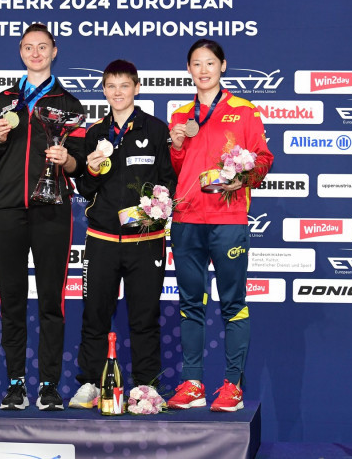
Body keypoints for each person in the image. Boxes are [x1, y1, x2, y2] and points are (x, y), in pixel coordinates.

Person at [166, 39, 273, 412]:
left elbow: (263, 158)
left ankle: (232, 386)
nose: (203, 70)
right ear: (189, 70)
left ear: (223, 66)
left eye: (210, 63)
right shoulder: (180, 114)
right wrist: (176, 146)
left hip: (228, 219)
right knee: (190, 304)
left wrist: (241, 179)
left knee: (233, 304)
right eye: (196, 64)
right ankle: (193, 383)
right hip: (187, 220)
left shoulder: (243, 110)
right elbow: (178, 171)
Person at [0, 23, 86, 411]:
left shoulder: (70, 103)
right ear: (21, 51)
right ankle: (15, 384)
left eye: (42, 46)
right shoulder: (5, 99)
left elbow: (80, 165)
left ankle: (48, 384)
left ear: (55, 51)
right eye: (29, 47)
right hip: (8, 207)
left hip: (52, 208)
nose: (36, 53)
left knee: (51, 301)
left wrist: (68, 160)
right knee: (11, 299)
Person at [68, 60, 177, 409]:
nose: (118, 92)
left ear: (137, 87)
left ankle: (146, 387)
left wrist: (159, 208)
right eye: (111, 86)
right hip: (101, 238)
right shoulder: (94, 133)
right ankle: (89, 382)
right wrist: (93, 169)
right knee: (95, 313)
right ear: (103, 90)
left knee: (144, 317)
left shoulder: (156, 129)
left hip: (145, 240)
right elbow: (84, 187)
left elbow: (168, 181)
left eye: (124, 85)